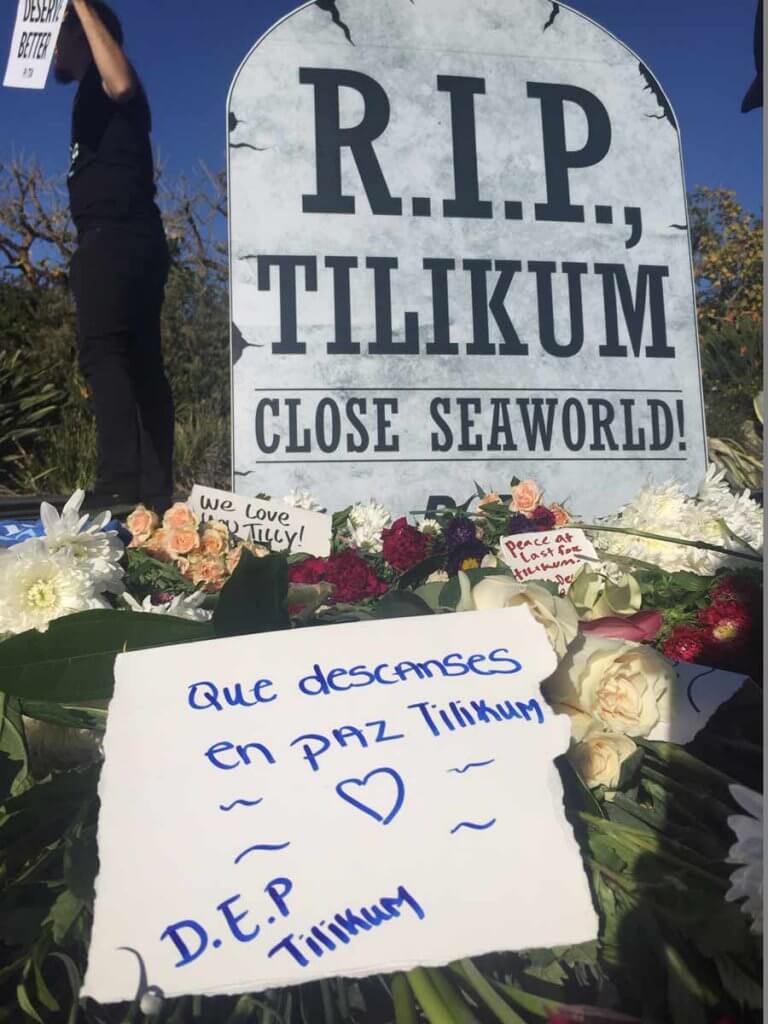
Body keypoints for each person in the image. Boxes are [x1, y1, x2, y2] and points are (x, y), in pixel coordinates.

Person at [55, 0, 174, 513]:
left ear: (84, 32)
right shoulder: (85, 97)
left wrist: (78, 4)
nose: (54, 47)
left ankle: (121, 487)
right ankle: (150, 491)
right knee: (139, 358)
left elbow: (121, 82)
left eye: (62, 34)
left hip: (119, 235)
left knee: (106, 353)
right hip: (124, 237)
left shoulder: (114, 86)